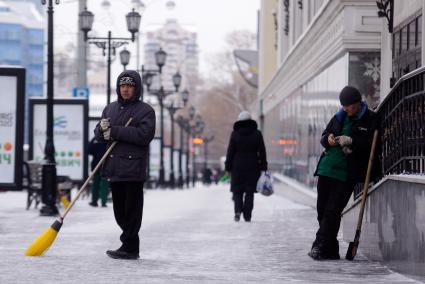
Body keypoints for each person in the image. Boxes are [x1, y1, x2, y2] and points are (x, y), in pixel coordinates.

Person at [309, 85, 380, 260]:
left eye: (348, 105)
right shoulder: (339, 117)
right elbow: (324, 135)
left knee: (332, 211)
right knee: (322, 211)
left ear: (357, 103)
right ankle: (331, 250)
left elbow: (374, 145)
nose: (345, 108)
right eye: (343, 105)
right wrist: (329, 139)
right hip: (326, 168)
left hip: (346, 173)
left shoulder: (370, 119)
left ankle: (318, 246)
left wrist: (352, 141)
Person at [94, 70, 156, 260]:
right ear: (118, 88)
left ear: (136, 88)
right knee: (119, 211)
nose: (126, 89)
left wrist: (115, 131)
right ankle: (128, 244)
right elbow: (99, 134)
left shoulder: (145, 111)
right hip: (114, 168)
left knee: (132, 211)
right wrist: (102, 131)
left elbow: (144, 136)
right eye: (122, 86)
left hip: (133, 168)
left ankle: (130, 247)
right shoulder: (110, 109)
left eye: (129, 86)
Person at [225, 111, 268, 222]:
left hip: (237, 166)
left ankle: (238, 211)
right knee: (249, 191)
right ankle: (247, 215)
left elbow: (230, 152)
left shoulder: (235, 134)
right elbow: (262, 152)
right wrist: (263, 166)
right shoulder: (257, 134)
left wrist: (228, 167)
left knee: (238, 191)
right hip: (253, 166)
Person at [88, 137, 109, 207]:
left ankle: (95, 201)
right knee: (103, 185)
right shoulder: (108, 143)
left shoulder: (96, 143)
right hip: (105, 166)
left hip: (97, 166)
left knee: (96, 185)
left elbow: (89, 150)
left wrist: (93, 139)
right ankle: (103, 202)